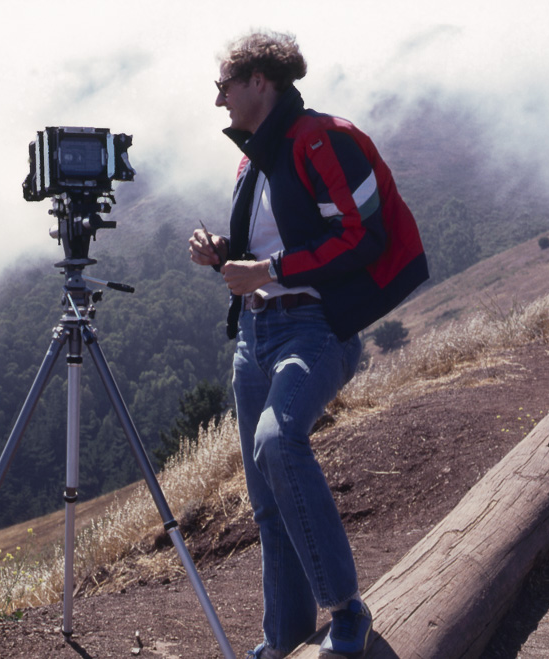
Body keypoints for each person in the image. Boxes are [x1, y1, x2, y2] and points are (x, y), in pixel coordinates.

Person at [189, 30, 428, 659]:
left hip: (316, 329)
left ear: (258, 83)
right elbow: (262, 253)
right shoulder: (251, 160)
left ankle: (347, 608)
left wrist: (268, 272)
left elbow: (363, 237)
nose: (218, 102)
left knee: (278, 439)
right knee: (266, 501)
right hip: (254, 334)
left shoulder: (325, 140)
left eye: (223, 87)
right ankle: (285, 639)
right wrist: (224, 258)